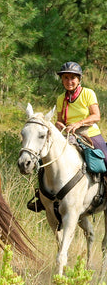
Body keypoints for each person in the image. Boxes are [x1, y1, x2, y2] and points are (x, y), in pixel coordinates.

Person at [27, 62, 107, 213]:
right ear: (62, 80)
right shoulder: (60, 98)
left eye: (72, 78)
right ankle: (43, 196)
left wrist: (78, 124)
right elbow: (59, 120)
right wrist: (60, 126)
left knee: (105, 158)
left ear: (79, 79)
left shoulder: (88, 93)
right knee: (43, 159)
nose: (69, 81)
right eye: (65, 78)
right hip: (68, 135)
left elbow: (96, 116)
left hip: (89, 133)